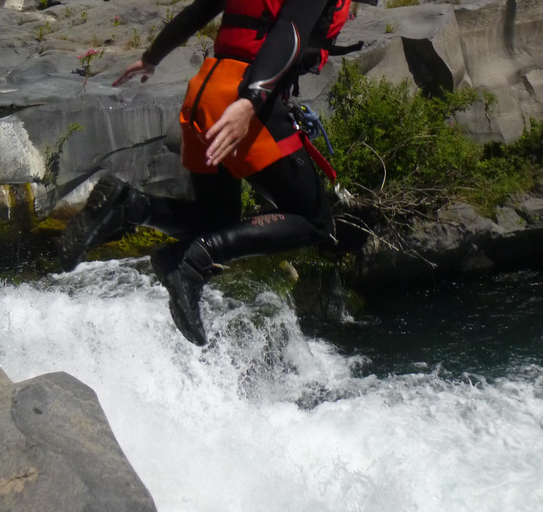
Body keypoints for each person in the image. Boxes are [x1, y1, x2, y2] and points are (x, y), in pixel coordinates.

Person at [60, 0, 337, 346]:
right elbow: (290, 32)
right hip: (245, 103)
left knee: (215, 220)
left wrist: (152, 57)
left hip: (205, 93)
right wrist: (250, 101)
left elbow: (198, 10)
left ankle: (128, 206)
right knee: (316, 222)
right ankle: (194, 261)